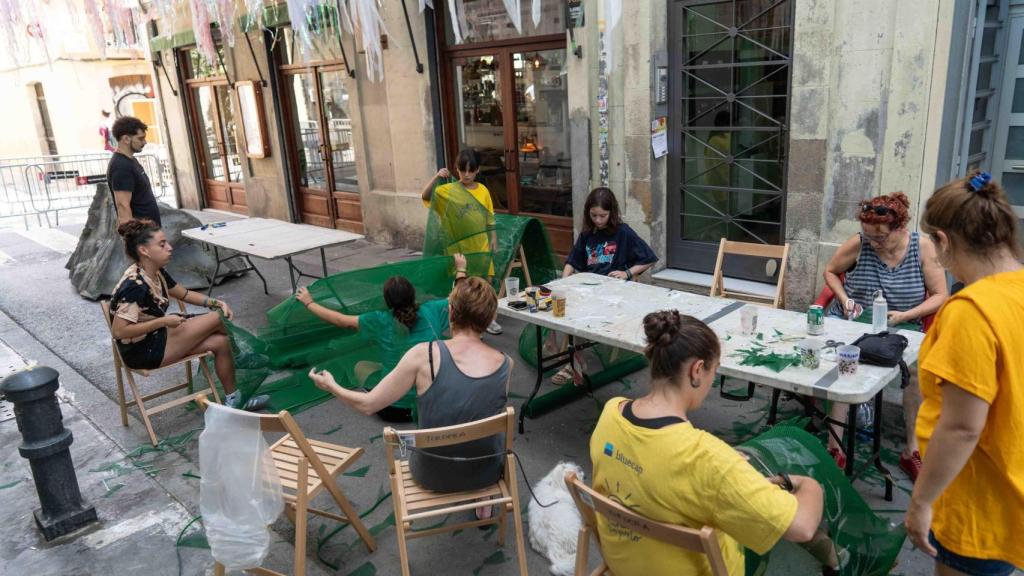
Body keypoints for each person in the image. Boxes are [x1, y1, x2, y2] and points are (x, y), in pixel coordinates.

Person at [589, 310, 824, 575]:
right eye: (714, 371)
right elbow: (802, 526)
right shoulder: (706, 458)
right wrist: (805, 484)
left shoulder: (611, 412)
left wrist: (724, 468)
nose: (712, 380)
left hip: (625, 566)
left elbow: (655, 471)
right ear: (697, 370)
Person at [309, 276, 510, 517]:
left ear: (451, 311)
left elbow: (367, 405)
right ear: (489, 318)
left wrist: (332, 385)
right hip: (486, 473)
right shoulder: (507, 364)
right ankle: (484, 499)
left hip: (432, 474)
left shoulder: (422, 355)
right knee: (483, 425)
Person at [904, 171, 1023, 576]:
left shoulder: (970, 311)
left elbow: (961, 428)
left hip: (978, 502)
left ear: (943, 240)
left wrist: (921, 502)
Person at [822, 192, 948, 479]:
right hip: (856, 322)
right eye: (869, 237)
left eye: (880, 238)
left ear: (900, 229)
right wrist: (843, 298)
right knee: (845, 363)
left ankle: (911, 450)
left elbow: (941, 295)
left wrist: (906, 315)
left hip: (901, 325)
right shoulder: (860, 242)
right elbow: (830, 272)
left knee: (916, 372)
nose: (873, 243)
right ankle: (835, 446)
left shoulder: (923, 248)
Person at [108, 219, 268, 411]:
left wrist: (215, 302)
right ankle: (240, 357)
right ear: (144, 251)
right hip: (142, 351)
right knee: (217, 318)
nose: (169, 247)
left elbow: (184, 294)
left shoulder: (155, 272)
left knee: (220, 342)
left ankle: (234, 401)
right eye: (162, 244)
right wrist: (163, 321)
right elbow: (119, 331)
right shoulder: (134, 286)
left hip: (158, 337)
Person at [295, 254, 469, 422]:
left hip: (391, 409)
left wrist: (309, 302)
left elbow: (340, 320)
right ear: (413, 294)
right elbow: (459, 297)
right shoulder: (433, 310)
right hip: (430, 405)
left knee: (361, 366)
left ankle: (373, 392)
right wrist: (461, 269)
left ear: (387, 301)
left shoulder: (379, 319)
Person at [550, 186, 658, 384]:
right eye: (594, 215)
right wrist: (564, 282)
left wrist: (627, 272)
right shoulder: (587, 234)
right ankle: (564, 353)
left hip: (614, 294)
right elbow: (572, 261)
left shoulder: (623, 232)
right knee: (562, 305)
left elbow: (649, 258)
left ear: (612, 213)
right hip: (589, 289)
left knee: (578, 312)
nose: (598, 220)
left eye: (603, 216)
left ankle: (574, 362)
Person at [421, 149, 503, 335]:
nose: (466, 175)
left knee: (486, 283)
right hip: (459, 250)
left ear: (477, 170)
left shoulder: (483, 191)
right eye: (462, 170)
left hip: (481, 245)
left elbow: (490, 218)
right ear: (456, 170)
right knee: (462, 286)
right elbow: (426, 196)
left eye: (470, 170)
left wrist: (494, 239)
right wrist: (436, 176)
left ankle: (488, 319)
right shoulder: (447, 191)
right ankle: (460, 322)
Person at [108, 116, 160, 226]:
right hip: (141, 236)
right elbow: (123, 206)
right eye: (140, 138)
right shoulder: (121, 166)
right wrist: (132, 238)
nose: (145, 142)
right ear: (126, 139)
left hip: (149, 232)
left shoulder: (130, 160)